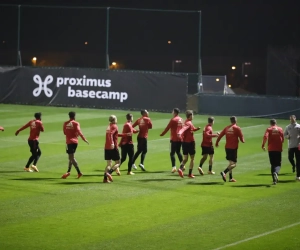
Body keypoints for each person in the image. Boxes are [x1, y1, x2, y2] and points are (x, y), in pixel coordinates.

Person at [215, 116, 245, 182]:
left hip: (227, 148)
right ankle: (224, 172)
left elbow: (220, 135)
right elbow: (242, 139)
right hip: (233, 148)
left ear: (230, 121)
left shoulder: (226, 128)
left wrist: (217, 142)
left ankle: (231, 178)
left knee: (230, 163)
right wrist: (243, 140)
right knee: (234, 164)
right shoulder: (237, 128)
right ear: (236, 121)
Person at [61, 111, 89, 179]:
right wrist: (84, 139)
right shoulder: (76, 123)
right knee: (70, 157)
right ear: (74, 116)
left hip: (69, 142)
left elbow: (64, 132)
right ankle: (68, 171)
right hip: (75, 142)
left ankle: (79, 172)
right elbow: (79, 132)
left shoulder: (65, 123)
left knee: (71, 158)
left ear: (69, 116)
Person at [177, 110, 201, 178]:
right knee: (192, 158)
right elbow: (184, 129)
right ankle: (190, 174)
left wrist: (197, 129)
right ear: (190, 116)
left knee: (185, 158)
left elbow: (191, 129)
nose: (193, 116)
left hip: (184, 143)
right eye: (192, 115)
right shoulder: (188, 123)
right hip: (190, 142)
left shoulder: (186, 122)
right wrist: (180, 133)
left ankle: (180, 169)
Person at [160, 108, 184, 173]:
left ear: (174, 112)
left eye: (172, 111)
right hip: (180, 138)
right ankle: (182, 165)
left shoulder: (173, 120)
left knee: (172, 153)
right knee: (178, 152)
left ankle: (174, 167)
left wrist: (162, 134)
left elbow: (168, 128)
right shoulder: (181, 119)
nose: (172, 112)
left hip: (174, 138)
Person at [262, 119, 284, 185]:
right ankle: (276, 173)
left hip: (271, 149)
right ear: (276, 123)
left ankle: (274, 180)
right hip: (278, 149)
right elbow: (282, 138)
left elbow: (265, 136)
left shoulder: (269, 129)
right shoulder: (280, 129)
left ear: (270, 123)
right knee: (278, 164)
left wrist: (263, 145)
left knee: (272, 164)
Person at [103, 115, 124, 183]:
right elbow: (111, 134)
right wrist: (112, 143)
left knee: (109, 164)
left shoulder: (109, 126)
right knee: (118, 162)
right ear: (114, 120)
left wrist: (124, 135)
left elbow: (114, 134)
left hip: (106, 147)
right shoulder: (114, 126)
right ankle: (109, 173)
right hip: (113, 147)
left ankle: (105, 179)